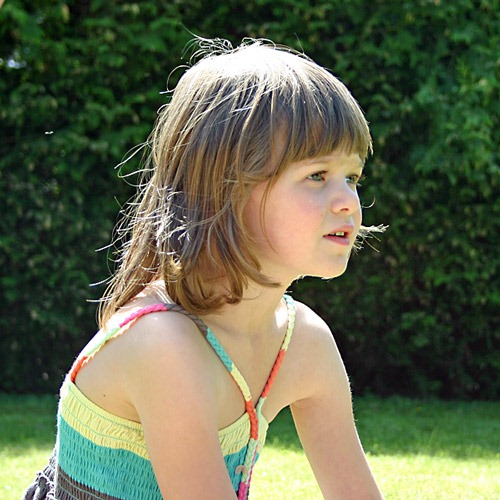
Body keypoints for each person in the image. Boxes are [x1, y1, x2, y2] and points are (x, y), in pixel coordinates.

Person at [25, 38, 385, 499]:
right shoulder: (163, 343)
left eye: (351, 177)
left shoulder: (303, 343)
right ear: (228, 188)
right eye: (317, 175)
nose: (348, 201)